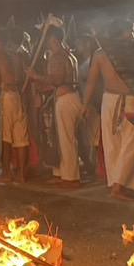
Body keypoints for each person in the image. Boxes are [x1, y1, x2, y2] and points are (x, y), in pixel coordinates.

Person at [83, 21, 134, 200]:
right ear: (122, 33)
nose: (132, 34)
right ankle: (117, 186)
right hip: (114, 100)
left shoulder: (108, 53)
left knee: (127, 143)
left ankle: (118, 184)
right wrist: (85, 104)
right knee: (118, 144)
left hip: (123, 100)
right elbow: (92, 81)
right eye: (130, 31)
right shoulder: (104, 54)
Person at [37, 26, 84, 186]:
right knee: (60, 139)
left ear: (54, 40)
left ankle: (71, 178)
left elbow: (56, 80)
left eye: (47, 40)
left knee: (66, 139)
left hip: (66, 100)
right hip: (69, 98)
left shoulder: (58, 57)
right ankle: (60, 174)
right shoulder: (70, 55)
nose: (45, 43)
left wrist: (34, 76)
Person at [0, 33, 26, 182]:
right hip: (18, 97)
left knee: (5, 137)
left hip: (7, 96)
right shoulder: (16, 56)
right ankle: (21, 174)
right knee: (21, 137)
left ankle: (6, 172)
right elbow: (20, 77)